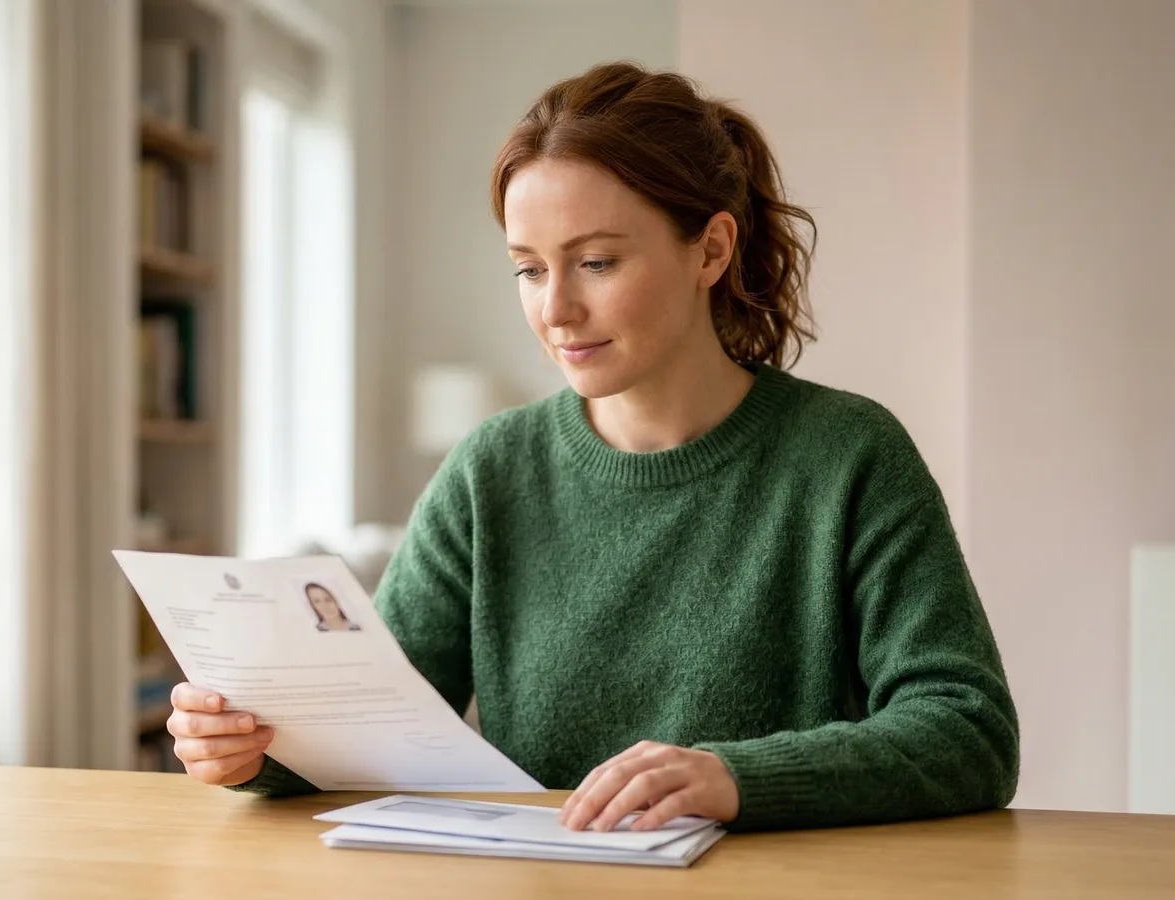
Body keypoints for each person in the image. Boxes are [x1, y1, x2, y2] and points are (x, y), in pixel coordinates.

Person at [163, 61, 1020, 833]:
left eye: (597, 262)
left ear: (711, 249)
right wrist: (249, 751)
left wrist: (735, 778)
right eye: (530, 269)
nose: (555, 310)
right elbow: (364, 729)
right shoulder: (489, 471)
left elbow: (967, 729)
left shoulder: (848, 455)